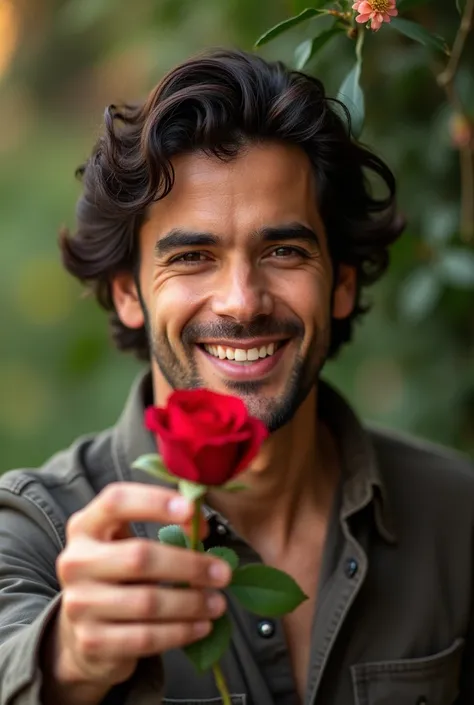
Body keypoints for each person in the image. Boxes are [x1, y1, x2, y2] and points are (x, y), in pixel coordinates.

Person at [0, 48, 473, 705]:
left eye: (282, 250)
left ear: (339, 282)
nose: (242, 301)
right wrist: (67, 656)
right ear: (129, 292)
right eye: (193, 256)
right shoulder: (30, 532)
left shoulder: (459, 516)